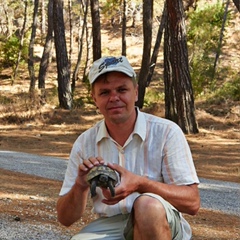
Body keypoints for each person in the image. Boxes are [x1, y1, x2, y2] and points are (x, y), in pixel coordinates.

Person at [57, 56, 200, 240]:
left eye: (122, 89)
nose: (114, 98)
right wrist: (80, 185)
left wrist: (140, 184)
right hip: (110, 224)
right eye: (104, 92)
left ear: (136, 92)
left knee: (147, 207)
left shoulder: (166, 132)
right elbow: (65, 219)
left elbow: (192, 203)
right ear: (94, 98)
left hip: (159, 221)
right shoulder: (85, 142)